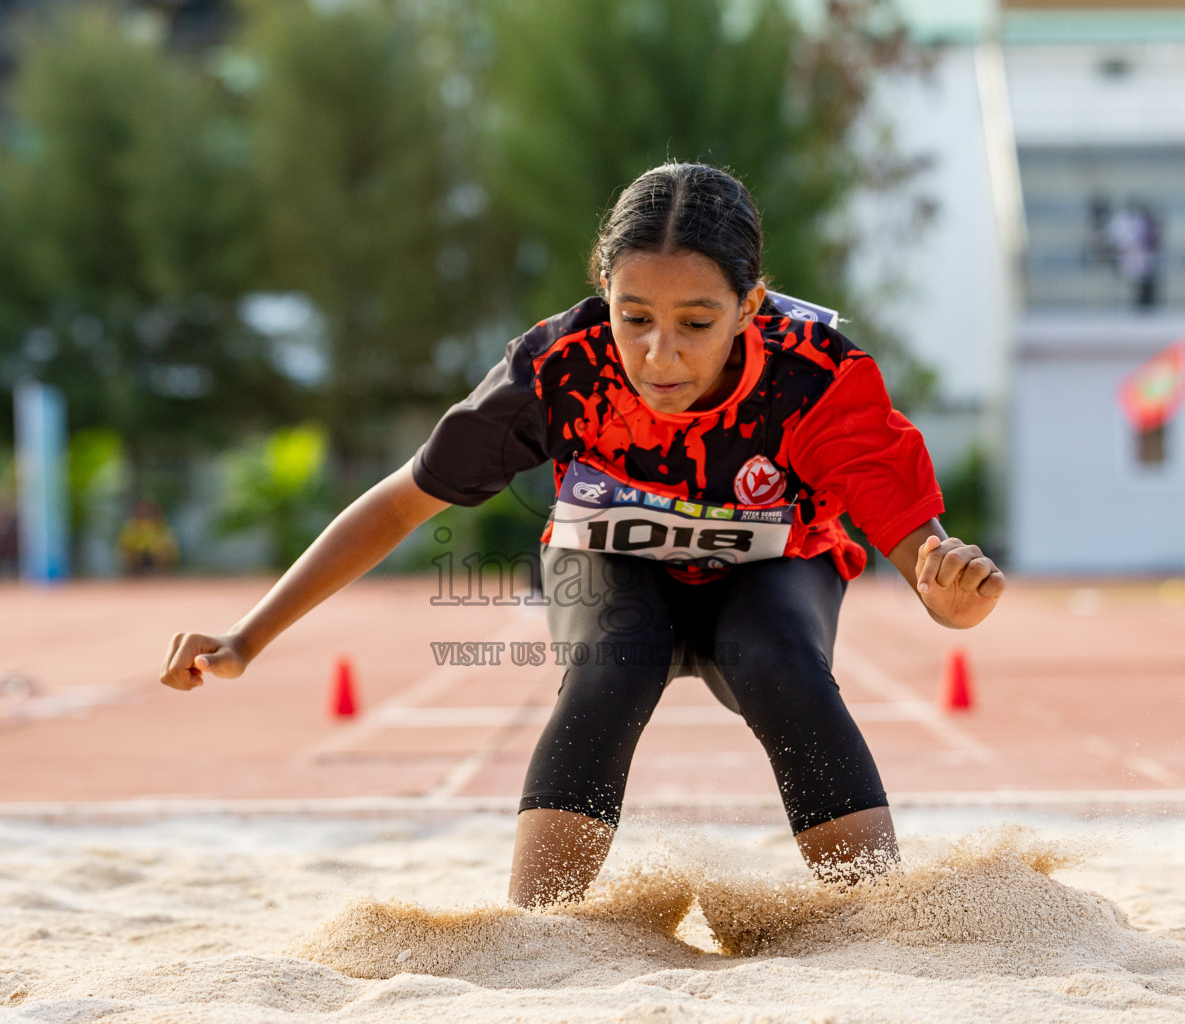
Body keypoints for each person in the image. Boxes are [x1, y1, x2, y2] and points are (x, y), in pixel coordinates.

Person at [159, 163, 1006, 907]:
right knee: (617, 655)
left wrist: (953, 604)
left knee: (776, 656)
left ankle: (880, 919)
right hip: (611, 570)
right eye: (633, 316)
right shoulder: (557, 371)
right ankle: (542, 932)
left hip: (771, 579)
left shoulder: (814, 379)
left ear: (751, 305)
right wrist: (247, 636)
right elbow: (399, 503)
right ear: (602, 289)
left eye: (697, 323)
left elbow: (925, 561)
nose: (659, 354)